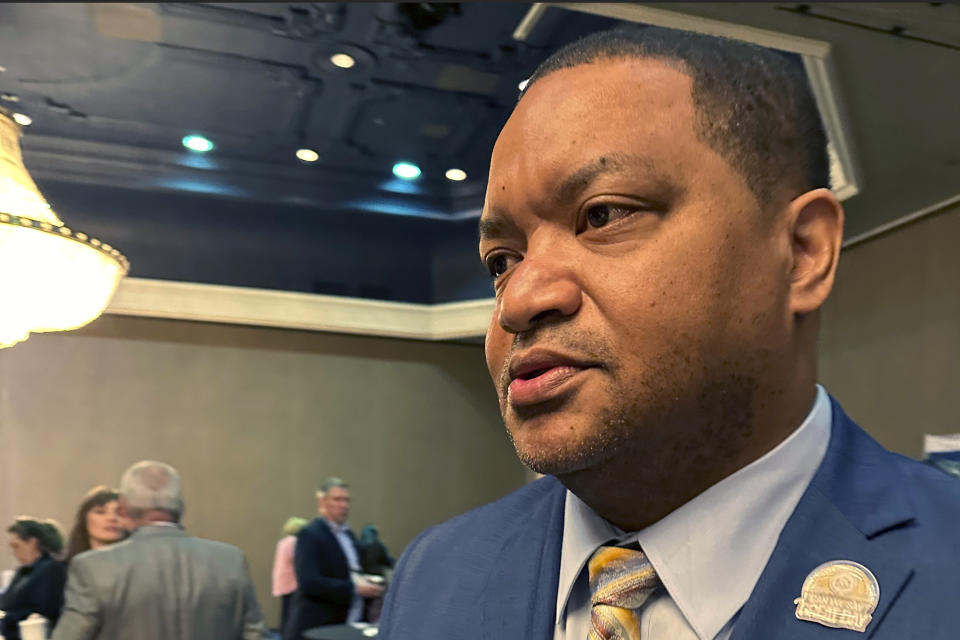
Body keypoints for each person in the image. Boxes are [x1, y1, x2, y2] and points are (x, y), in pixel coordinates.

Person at [377, 26, 960, 640]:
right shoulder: (435, 574)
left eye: (603, 215)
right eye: (502, 261)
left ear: (801, 251)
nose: (518, 301)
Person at [51, 460, 268, 640]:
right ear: (180, 507)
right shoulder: (230, 560)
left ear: (124, 509)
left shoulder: (92, 568)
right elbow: (254, 634)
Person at [284, 478, 383, 639]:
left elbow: (350, 571)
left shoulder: (349, 535)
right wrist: (354, 588)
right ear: (322, 502)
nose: (344, 505)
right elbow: (309, 582)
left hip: (349, 622)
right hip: (319, 626)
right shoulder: (310, 534)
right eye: (337, 499)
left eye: (346, 500)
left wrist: (366, 582)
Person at [1, 518, 67, 639]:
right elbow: (7, 600)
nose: (14, 552)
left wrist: (8, 617)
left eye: (16, 546)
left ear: (32, 543)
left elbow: (46, 610)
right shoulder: (22, 572)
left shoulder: (51, 569)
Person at [64, 487, 125, 562]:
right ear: (84, 519)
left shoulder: (139, 567)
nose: (112, 518)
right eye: (100, 512)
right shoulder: (58, 569)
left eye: (119, 513)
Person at [272, 516, 309, 632]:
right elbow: (298, 559)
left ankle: (284, 632)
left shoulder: (282, 542)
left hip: (281, 581)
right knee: (292, 612)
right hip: (291, 582)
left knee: (285, 610)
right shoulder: (295, 542)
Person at [357, 525, 393, 623]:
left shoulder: (360, 545)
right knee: (377, 607)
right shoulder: (379, 545)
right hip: (378, 579)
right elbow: (387, 561)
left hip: (364, 580)